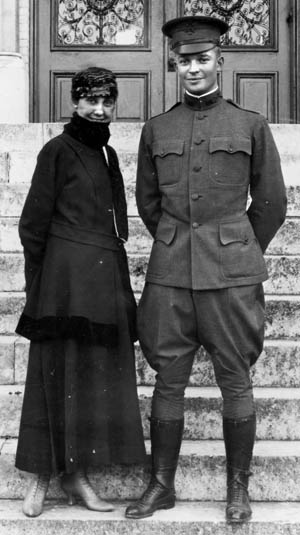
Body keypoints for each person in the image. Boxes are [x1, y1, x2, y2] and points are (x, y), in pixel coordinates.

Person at [125, 16, 287, 524]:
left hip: (232, 277)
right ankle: (161, 486)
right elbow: (148, 203)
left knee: (235, 378)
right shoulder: (158, 128)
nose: (193, 68)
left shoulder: (250, 125)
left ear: (221, 60)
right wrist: (181, 244)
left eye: (202, 58)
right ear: (174, 64)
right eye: (184, 60)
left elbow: (271, 202)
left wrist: (235, 248)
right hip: (170, 275)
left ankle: (238, 491)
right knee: (167, 380)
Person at [15, 66, 146, 517]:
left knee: (89, 379)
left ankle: (77, 476)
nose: (98, 109)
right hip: (62, 287)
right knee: (51, 376)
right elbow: (32, 226)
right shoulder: (56, 150)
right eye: (90, 99)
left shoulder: (109, 156)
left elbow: (118, 227)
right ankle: (39, 478)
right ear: (74, 102)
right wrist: (43, 287)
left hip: (103, 281)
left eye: (107, 101)